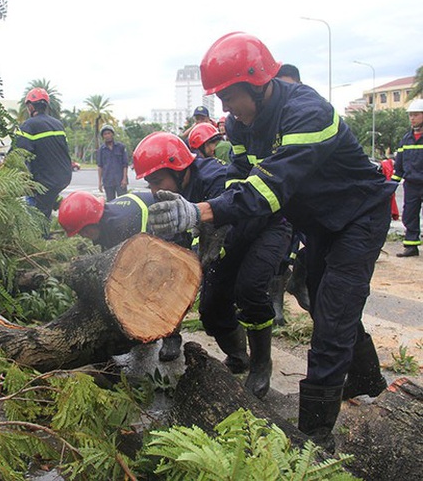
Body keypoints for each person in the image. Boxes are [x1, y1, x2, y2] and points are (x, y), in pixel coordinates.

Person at [148, 32, 395, 448]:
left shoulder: (308, 112)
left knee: (332, 317)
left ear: (256, 83)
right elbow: (239, 179)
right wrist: (215, 225)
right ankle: (368, 379)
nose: (224, 110)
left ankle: (312, 439)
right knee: (321, 294)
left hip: (359, 216)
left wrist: (200, 211)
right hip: (319, 223)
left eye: (229, 97)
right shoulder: (242, 126)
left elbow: (270, 188)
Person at [134, 132, 292, 398]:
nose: (154, 190)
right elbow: (177, 238)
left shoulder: (214, 179)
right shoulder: (176, 189)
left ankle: (261, 364)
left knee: (249, 290)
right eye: (150, 183)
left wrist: (203, 251)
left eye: (157, 181)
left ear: (179, 168)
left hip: (266, 228)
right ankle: (239, 355)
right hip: (229, 241)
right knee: (211, 310)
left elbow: (229, 221)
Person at [57, 190, 185, 361]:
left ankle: (172, 337)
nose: (83, 236)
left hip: (171, 232)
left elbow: (135, 264)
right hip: (144, 236)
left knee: (157, 285)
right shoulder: (104, 222)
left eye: (83, 231)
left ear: (91, 222)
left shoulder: (120, 226)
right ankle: (147, 333)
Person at [15, 88, 72, 226]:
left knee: (37, 213)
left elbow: (17, 155)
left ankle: (40, 238)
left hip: (44, 182)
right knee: (46, 204)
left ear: (30, 106)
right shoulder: (58, 125)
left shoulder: (28, 125)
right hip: (63, 177)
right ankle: (52, 215)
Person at [392, 98, 423, 257]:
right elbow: (399, 164)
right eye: (410, 115)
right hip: (411, 184)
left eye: (416, 115)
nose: (412, 118)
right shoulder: (406, 138)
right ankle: (411, 246)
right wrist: (391, 184)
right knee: (410, 214)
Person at [97, 124, 129, 201]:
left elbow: (125, 164)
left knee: (123, 201)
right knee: (111, 202)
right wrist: (100, 182)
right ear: (103, 136)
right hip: (108, 181)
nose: (107, 135)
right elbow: (100, 166)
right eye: (105, 134)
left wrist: (124, 179)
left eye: (109, 133)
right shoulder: (101, 149)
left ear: (112, 134)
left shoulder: (120, 147)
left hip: (120, 180)